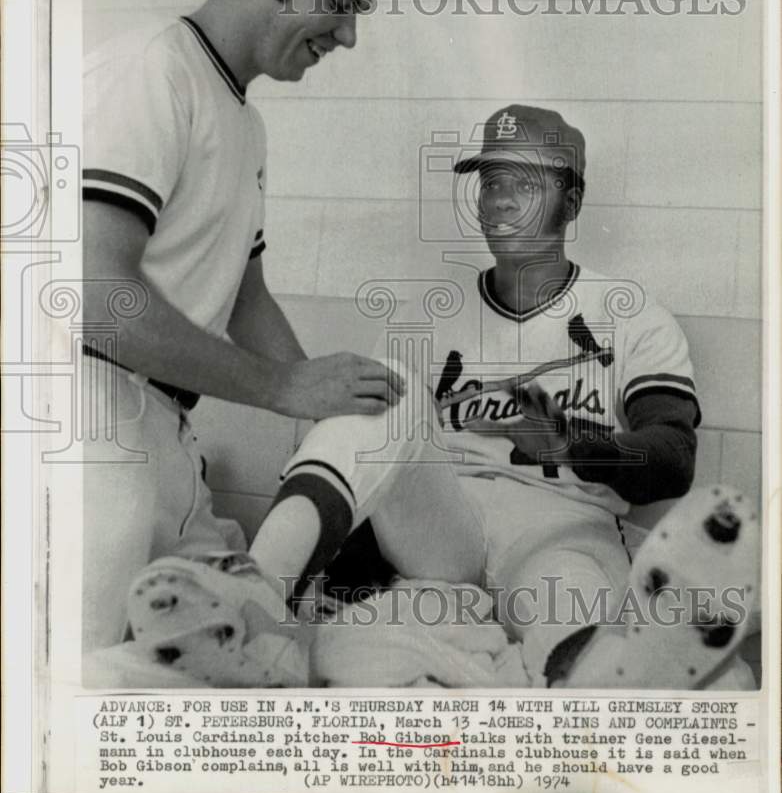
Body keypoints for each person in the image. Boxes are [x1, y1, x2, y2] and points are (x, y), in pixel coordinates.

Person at [126, 105, 756, 688]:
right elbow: (378, 462)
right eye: (491, 182)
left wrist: (572, 442)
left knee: (571, 623)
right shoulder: (428, 315)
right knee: (379, 393)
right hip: (444, 528)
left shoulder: (632, 317)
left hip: (562, 522)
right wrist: (335, 583)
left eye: (528, 184)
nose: (503, 203)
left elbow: (672, 459)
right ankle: (262, 592)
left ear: (573, 201)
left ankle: (615, 673)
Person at [81, 0, 403, 653]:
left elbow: (243, 294)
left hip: (161, 429)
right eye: (344, 1)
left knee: (252, 647)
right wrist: (281, 387)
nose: (348, 36)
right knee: (76, 688)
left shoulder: (245, 123)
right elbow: (95, 295)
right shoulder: (150, 72)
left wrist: (321, 409)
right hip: (82, 413)